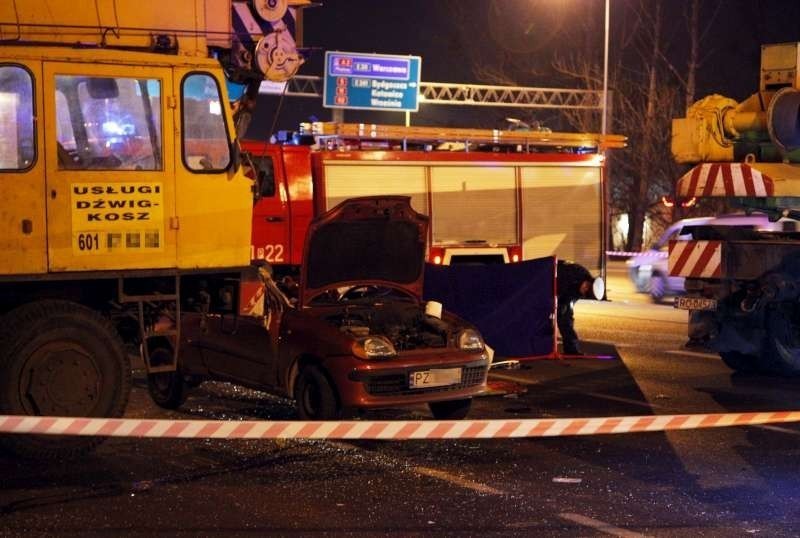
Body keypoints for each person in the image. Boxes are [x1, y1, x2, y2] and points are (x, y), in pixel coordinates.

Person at [556, 260, 599, 355]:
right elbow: (559, 289)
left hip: (562, 292)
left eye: (586, 291)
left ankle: (571, 349)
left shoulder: (580, 289)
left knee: (566, 318)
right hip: (548, 281)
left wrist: (563, 308)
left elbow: (569, 299)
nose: (585, 288)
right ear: (589, 281)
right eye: (586, 286)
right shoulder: (574, 274)